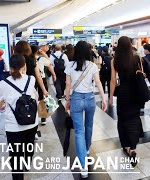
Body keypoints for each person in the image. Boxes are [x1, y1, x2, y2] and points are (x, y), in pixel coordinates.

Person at [65, 41, 107, 178]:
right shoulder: (93, 65)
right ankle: (87, 148)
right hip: (90, 99)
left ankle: (83, 166)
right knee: (88, 126)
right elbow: (98, 82)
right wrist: (104, 98)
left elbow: (68, 85)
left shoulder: (70, 65)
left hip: (76, 99)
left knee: (78, 131)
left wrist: (67, 100)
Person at [0, 54, 38, 180]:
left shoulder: (2, 84)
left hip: (13, 127)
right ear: (24, 66)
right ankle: (26, 163)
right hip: (32, 122)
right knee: (29, 147)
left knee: (15, 158)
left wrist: (4, 105)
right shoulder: (31, 79)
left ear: (10, 67)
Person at [109, 36, 143, 167]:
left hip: (123, 93)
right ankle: (133, 148)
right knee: (134, 119)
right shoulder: (137, 57)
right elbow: (141, 74)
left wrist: (111, 97)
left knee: (123, 120)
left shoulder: (115, 60)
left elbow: (113, 80)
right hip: (135, 93)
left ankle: (126, 146)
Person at [33, 45, 57, 125]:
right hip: (41, 79)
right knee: (43, 97)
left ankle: (32, 116)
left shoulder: (28, 59)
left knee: (33, 97)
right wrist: (43, 54)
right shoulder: (41, 58)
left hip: (31, 80)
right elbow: (49, 63)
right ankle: (43, 118)